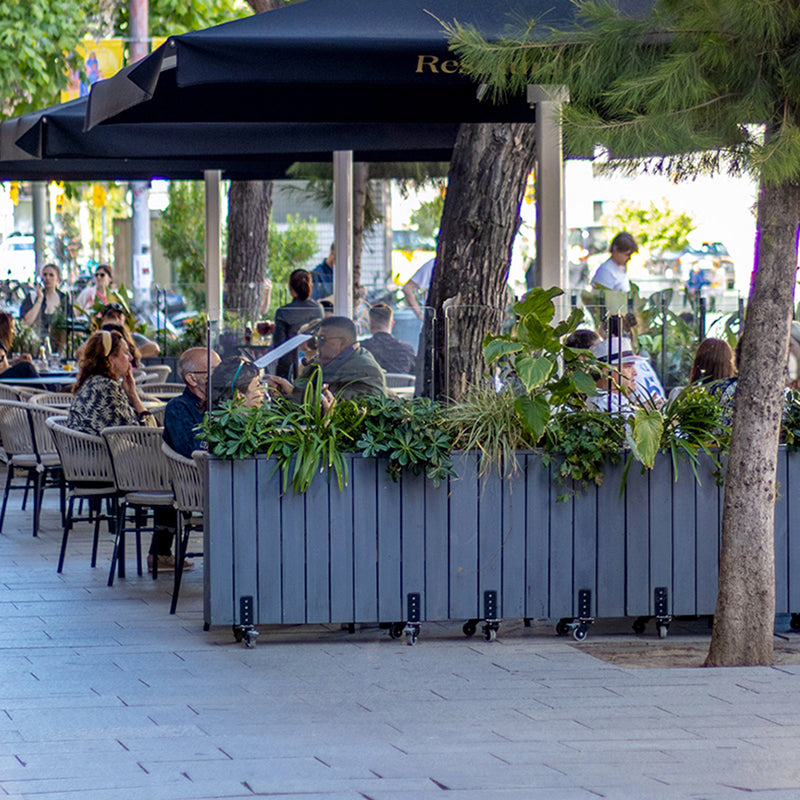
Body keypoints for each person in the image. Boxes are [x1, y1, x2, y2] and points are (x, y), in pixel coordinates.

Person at [291, 316, 387, 400]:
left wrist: (293, 393)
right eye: (317, 339)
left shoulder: (365, 370)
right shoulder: (325, 361)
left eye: (322, 339)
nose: (317, 345)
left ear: (343, 342)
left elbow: (340, 407)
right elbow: (301, 385)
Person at [163, 347, 222, 458]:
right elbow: (194, 450)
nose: (221, 375)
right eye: (214, 370)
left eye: (221, 369)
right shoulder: (178, 408)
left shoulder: (223, 402)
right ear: (192, 379)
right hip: (198, 473)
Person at [271, 269, 323, 380]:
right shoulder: (318, 309)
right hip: (313, 366)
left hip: (288, 370)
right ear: (310, 286)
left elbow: (279, 346)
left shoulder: (283, 312)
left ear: (291, 289)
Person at [20, 263, 68, 349]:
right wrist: (39, 299)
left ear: (58, 279)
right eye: (45, 275)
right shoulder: (33, 297)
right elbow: (27, 322)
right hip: (35, 346)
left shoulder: (64, 299)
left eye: (51, 275)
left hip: (58, 346)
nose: (47, 278)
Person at [587, 336, 638, 414]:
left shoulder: (613, 399)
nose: (635, 373)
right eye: (628, 366)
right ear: (607, 371)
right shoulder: (604, 403)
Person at [360, 303, 416, 374]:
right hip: (399, 385)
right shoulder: (407, 350)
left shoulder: (361, 349)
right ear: (392, 324)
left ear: (371, 323)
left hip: (373, 385)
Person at [0, 312, 38, 380]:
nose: (14, 332)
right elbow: (3, 369)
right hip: (4, 384)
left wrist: (16, 361)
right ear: (4, 329)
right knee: (26, 366)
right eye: (12, 328)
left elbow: (3, 365)